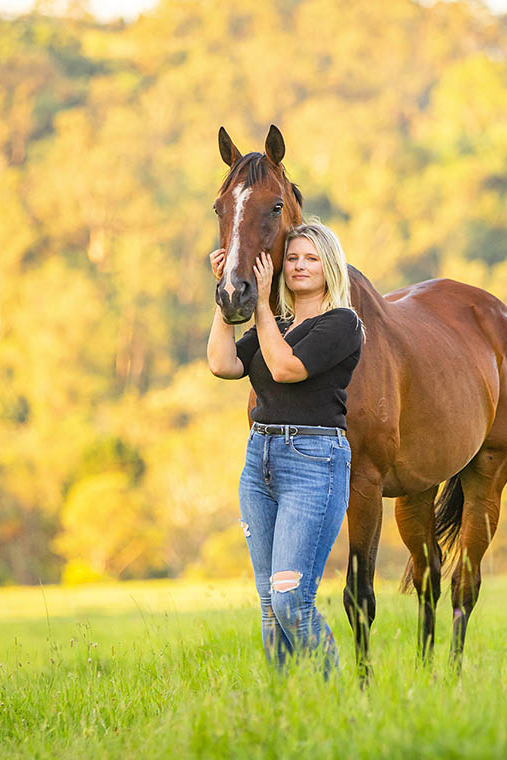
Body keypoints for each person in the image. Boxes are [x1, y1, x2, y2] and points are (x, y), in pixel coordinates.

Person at [206, 221, 364, 678]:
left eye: (311, 258)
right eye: (291, 258)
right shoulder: (279, 323)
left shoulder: (342, 324)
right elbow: (222, 363)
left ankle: (334, 702)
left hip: (314, 462)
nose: (299, 266)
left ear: (329, 266)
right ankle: (287, 711)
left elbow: (285, 369)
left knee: (291, 597)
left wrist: (259, 305)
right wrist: (225, 297)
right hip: (260, 461)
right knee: (270, 606)